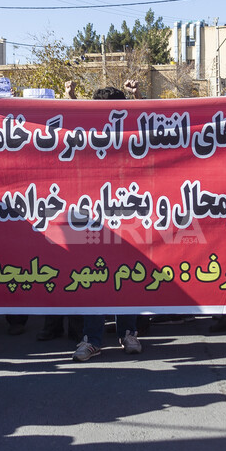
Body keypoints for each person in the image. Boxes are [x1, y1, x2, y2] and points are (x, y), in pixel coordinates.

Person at [72, 86, 145, 361]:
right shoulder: (88, 138)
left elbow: (160, 127)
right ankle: (92, 339)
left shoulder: (135, 137)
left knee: (126, 276)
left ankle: (128, 333)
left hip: (129, 217)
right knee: (94, 277)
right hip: (93, 221)